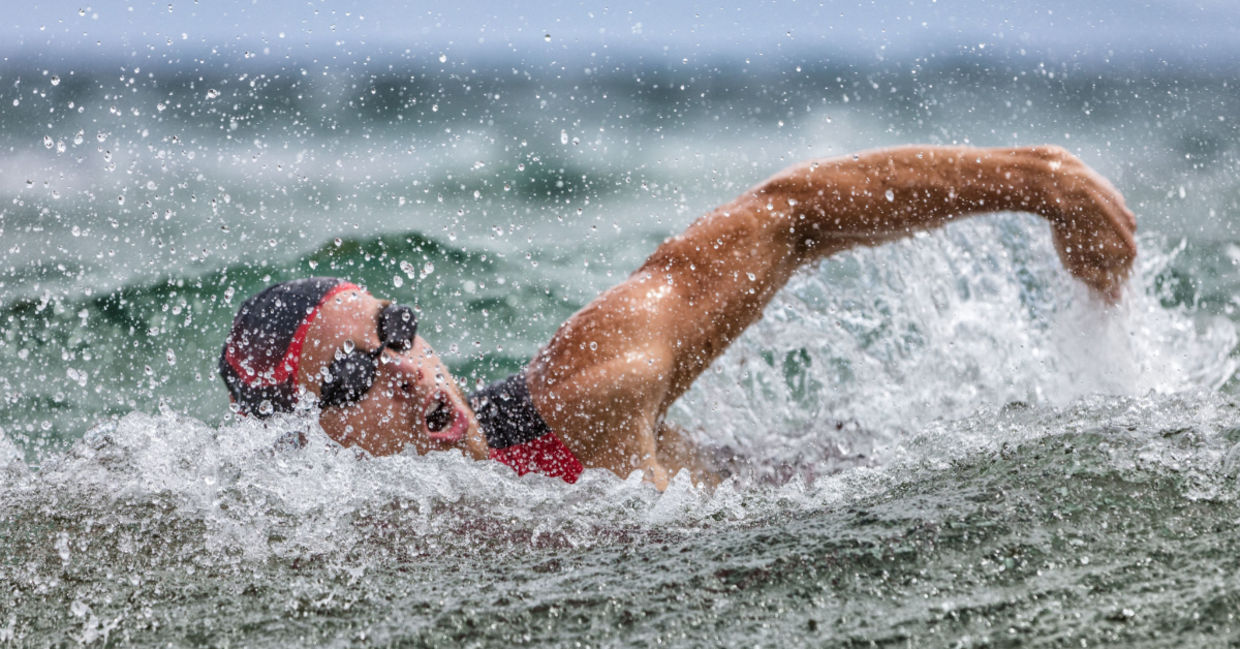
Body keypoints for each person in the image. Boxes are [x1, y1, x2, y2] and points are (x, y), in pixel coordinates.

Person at [219, 145, 1137, 490]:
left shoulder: (583, 395)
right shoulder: (311, 546)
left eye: (396, 330)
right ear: (300, 442)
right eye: (350, 379)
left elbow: (783, 216)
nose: (409, 369)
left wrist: (1036, 183)